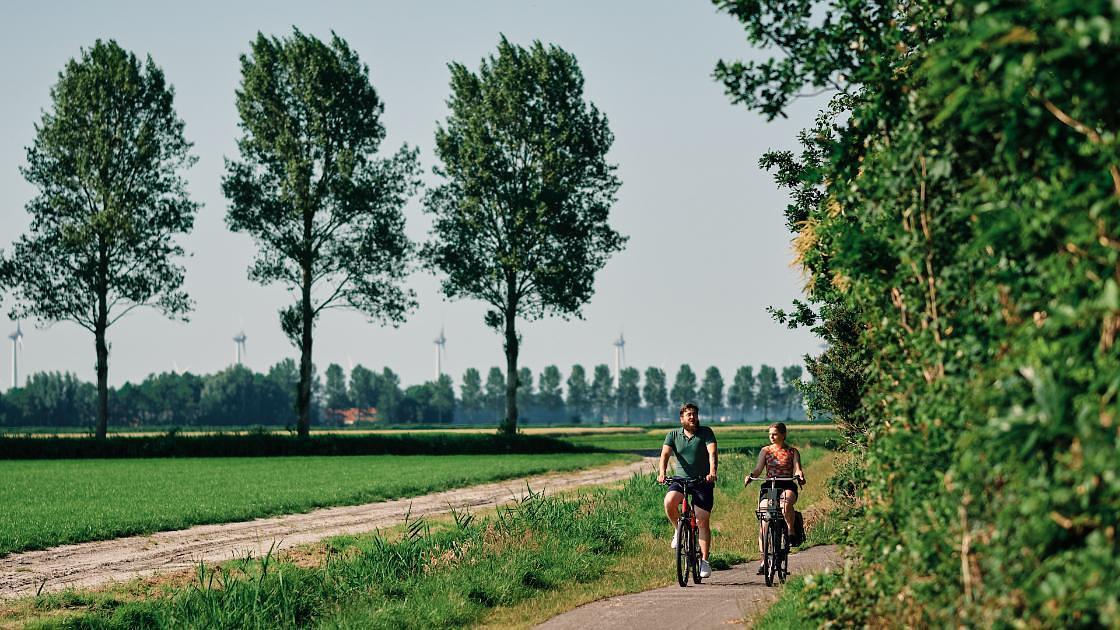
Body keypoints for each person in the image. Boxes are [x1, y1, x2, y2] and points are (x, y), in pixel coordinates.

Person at [657, 402, 718, 579]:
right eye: (689, 414)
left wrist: (712, 472)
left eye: (695, 414)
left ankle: (704, 561)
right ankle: (678, 529)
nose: (693, 417)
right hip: (681, 480)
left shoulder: (706, 432)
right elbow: (665, 455)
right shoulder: (673, 435)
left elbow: (712, 453)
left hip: (702, 481)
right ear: (682, 418)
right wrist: (662, 473)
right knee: (669, 501)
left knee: (701, 521)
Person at [745, 422, 804, 574]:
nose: (772, 436)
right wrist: (751, 476)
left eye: (775, 434)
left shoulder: (792, 451)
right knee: (765, 516)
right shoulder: (765, 451)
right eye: (770, 433)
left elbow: (798, 469)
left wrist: (800, 476)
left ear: (783, 435)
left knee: (786, 504)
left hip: (787, 484)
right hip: (770, 486)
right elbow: (758, 469)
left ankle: (790, 531)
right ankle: (764, 559)